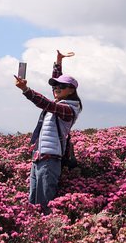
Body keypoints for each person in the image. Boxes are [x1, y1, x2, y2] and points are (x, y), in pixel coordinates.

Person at [14, 50, 82, 212]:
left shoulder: (68, 109)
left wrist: (26, 90)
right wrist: (58, 62)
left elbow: (47, 104)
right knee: (32, 201)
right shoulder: (61, 101)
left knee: (44, 203)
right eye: (55, 86)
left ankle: (44, 231)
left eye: (62, 86)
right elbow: (56, 83)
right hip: (38, 157)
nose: (56, 88)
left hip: (50, 160)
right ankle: (32, 230)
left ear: (71, 90)